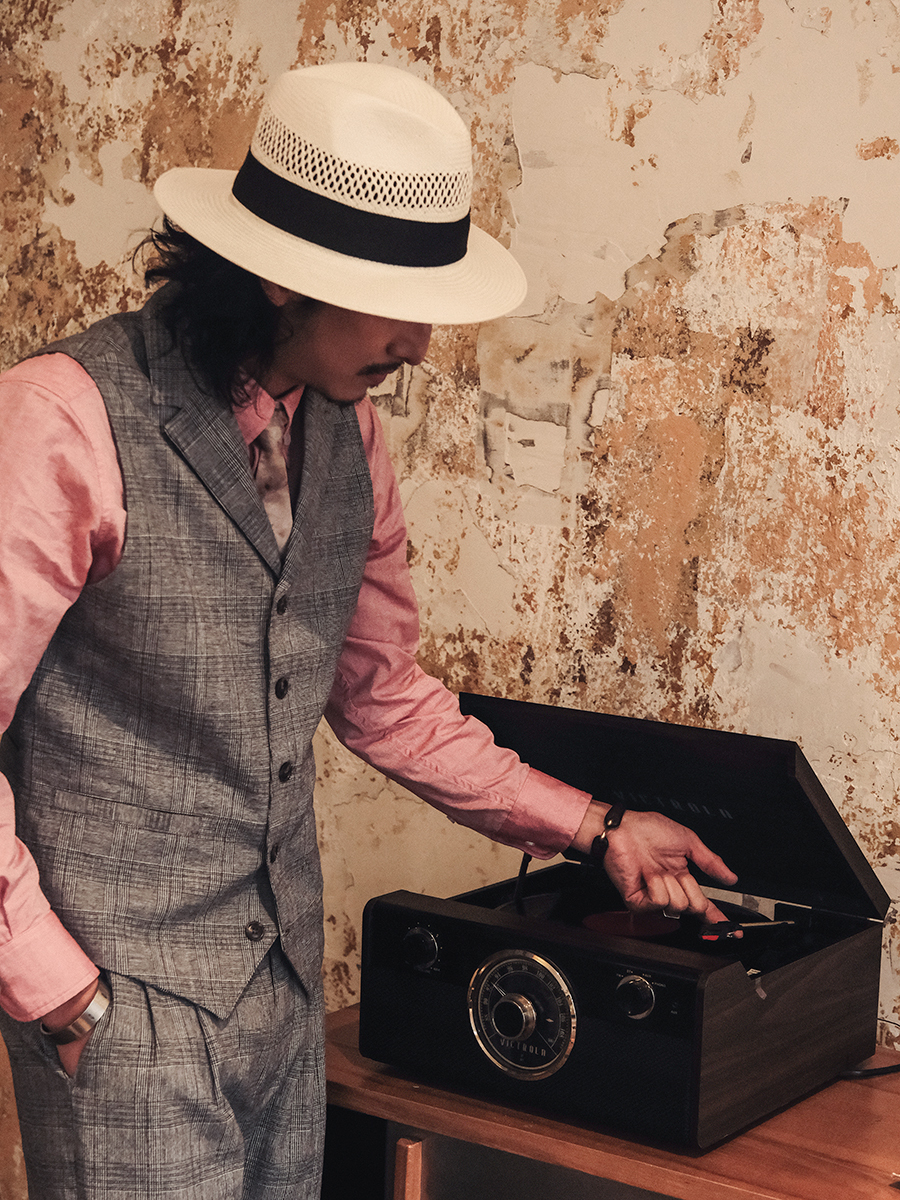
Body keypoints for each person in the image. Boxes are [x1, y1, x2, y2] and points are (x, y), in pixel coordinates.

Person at [0, 61, 737, 1199]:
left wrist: (598, 829)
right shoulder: (62, 417)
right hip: (120, 1009)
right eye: (398, 302)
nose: (423, 346)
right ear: (281, 280)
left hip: (284, 1002)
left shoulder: (350, 439)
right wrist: (61, 995)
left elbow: (383, 697)